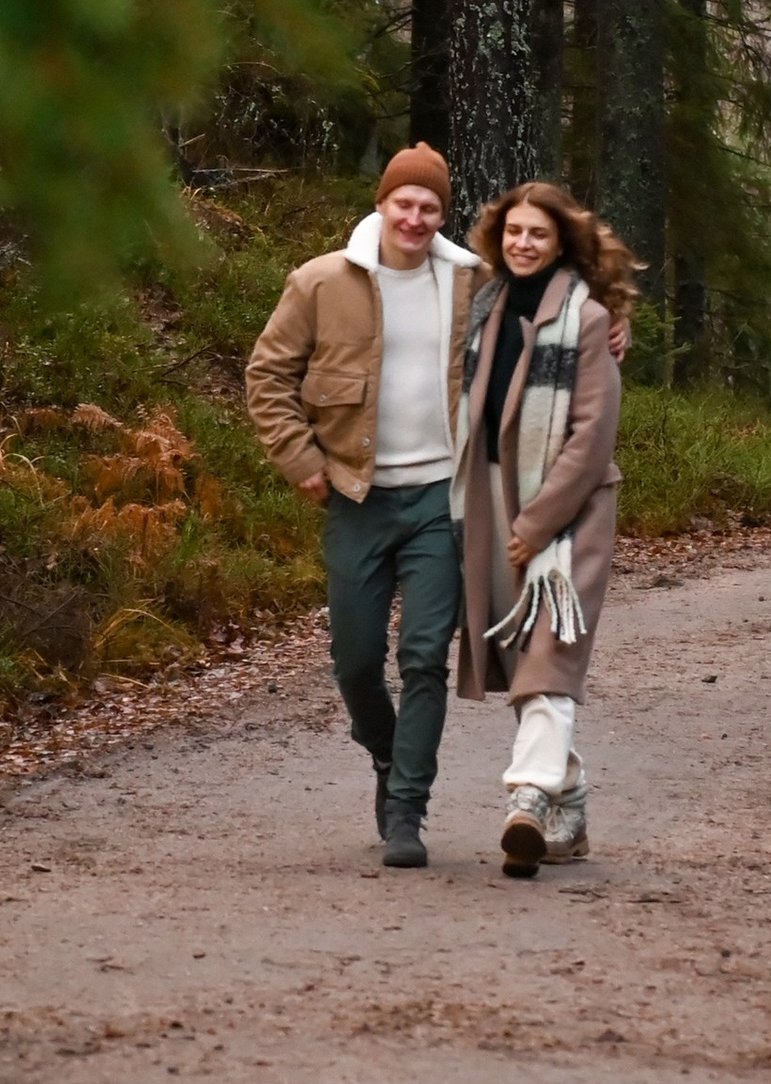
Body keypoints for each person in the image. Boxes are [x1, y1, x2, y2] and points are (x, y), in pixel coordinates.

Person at [245, 147, 485, 868]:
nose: (415, 218)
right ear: (382, 203)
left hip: (443, 499)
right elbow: (267, 375)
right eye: (404, 203)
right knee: (354, 661)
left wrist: (610, 325)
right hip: (357, 496)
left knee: (424, 658)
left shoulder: (474, 283)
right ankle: (385, 753)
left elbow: (548, 314)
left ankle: (408, 810)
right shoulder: (321, 281)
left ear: (444, 216)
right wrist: (301, 460)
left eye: (430, 208)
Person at [454, 179, 636, 874]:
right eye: (514, 233)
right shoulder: (484, 305)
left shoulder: (587, 318)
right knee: (522, 660)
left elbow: (592, 437)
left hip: (568, 513)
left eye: (538, 233)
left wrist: (538, 523)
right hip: (492, 501)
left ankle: (527, 799)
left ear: (561, 242)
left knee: (551, 657)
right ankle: (572, 795)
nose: (524, 243)